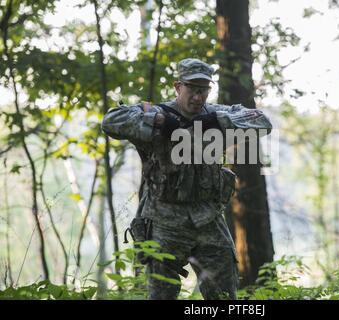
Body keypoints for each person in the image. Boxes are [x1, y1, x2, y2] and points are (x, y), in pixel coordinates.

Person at [101, 58, 272, 300]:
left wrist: (217, 122)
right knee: (162, 294)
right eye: (192, 89)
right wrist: (158, 122)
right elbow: (111, 121)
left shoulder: (216, 115)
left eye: (203, 90)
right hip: (164, 221)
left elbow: (262, 122)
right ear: (178, 86)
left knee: (223, 295)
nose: (198, 97)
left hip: (208, 219)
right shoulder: (156, 112)